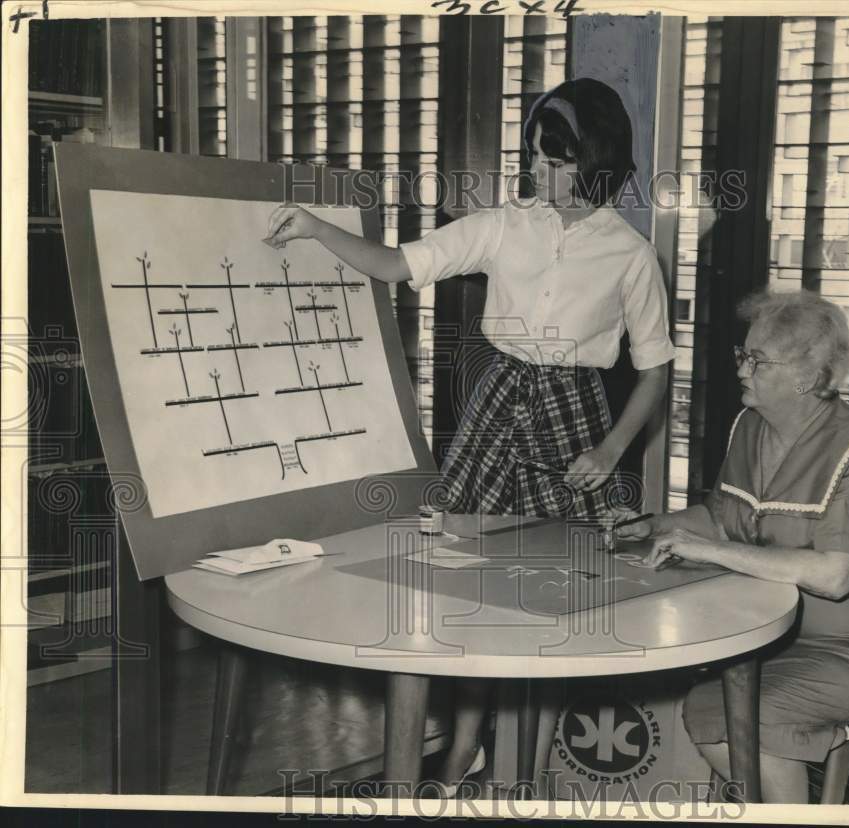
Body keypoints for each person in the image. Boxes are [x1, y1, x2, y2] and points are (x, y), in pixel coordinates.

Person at [264, 78, 674, 794]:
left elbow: (655, 373)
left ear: (596, 159)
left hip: (573, 423)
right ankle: (462, 750)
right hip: (496, 407)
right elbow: (400, 265)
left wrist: (609, 451)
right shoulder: (503, 225)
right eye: (535, 157)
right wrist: (314, 228)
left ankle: (527, 776)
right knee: (468, 593)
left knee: (555, 600)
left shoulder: (632, 256)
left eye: (555, 159)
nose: (538, 173)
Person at [615, 290, 849, 804]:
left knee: (747, 712)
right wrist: (656, 525)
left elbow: (835, 576)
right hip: (790, 638)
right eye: (742, 355)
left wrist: (712, 552)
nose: (742, 369)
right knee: (708, 707)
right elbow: (724, 518)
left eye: (757, 360)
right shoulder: (750, 425)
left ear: (806, 378)